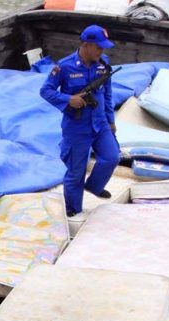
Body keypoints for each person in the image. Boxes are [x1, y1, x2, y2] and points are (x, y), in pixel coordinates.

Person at [40, 25, 120, 217]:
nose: (102, 51)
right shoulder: (64, 67)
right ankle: (73, 210)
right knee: (76, 172)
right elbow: (46, 91)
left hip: (100, 123)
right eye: (98, 47)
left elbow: (107, 94)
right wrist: (68, 100)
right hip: (77, 127)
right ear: (86, 45)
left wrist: (110, 120)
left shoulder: (103, 64)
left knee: (112, 157)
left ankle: (93, 186)